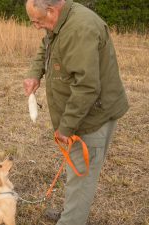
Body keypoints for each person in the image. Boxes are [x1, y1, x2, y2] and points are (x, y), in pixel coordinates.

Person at [23, 0, 129, 224]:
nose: (37, 26)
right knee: (76, 174)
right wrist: (35, 73)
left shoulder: (81, 29)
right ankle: (71, 213)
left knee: (82, 179)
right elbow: (46, 45)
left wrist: (66, 126)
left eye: (37, 21)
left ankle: (71, 219)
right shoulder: (59, 23)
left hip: (93, 117)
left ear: (51, 11)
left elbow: (87, 87)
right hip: (81, 113)